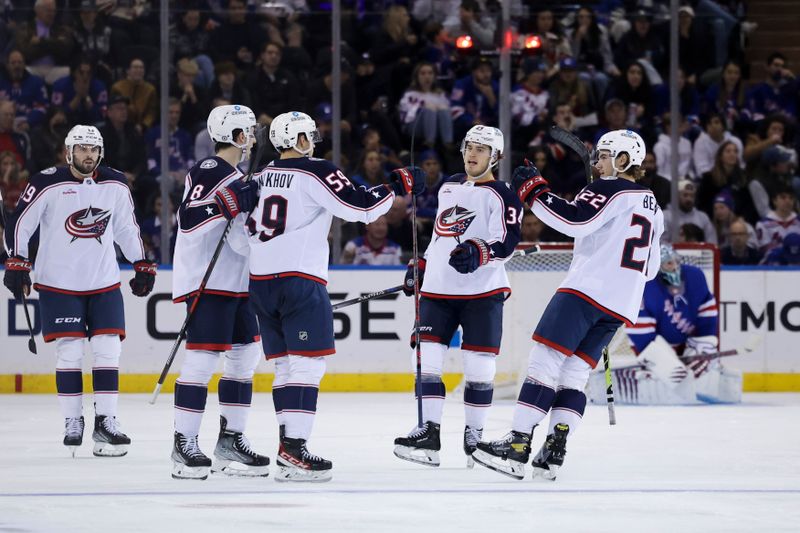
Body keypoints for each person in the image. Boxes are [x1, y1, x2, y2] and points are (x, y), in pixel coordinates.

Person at [216, 111, 424, 481]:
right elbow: (359, 208)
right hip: (300, 282)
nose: (312, 142)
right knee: (308, 366)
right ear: (297, 140)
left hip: (260, 284)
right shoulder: (316, 171)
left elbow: (236, 237)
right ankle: (294, 450)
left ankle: (287, 447)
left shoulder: (259, 176)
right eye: (308, 136)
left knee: (285, 366)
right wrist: (396, 186)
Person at [471, 129, 663, 481]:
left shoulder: (608, 188)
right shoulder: (653, 204)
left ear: (623, 160)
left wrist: (535, 190)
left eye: (605, 155)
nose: (598, 161)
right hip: (620, 304)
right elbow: (650, 270)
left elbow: (573, 221)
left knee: (544, 361)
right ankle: (553, 452)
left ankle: (517, 446)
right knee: (574, 374)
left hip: (585, 291)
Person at [2, 125, 156, 457]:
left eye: (94, 149)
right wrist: (17, 261)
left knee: (108, 348)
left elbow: (127, 227)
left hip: (103, 282)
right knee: (70, 352)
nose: (89, 155)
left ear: (101, 153)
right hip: (59, 283)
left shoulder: (115, 183)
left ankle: (106, 421)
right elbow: (20, 223)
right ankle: (73, 421)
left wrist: (141, 261)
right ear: (68, 152)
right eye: (82, 148)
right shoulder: (47, 181)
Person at [392, 125, 523, 468]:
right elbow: (439, 235)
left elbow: (507, 243)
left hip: (482, 291)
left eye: (482, 149)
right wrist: (419, 265)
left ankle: (475, 440)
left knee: (480, 367)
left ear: (496, 156)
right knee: (424, 361)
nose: (473, 153)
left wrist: (480, 252)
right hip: (438, 290)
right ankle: (429, 433)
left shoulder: (504, 194)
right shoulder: (450, 185)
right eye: (470, 147)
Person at [169, 105, 268, 480]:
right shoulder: (210, 170)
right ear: (239, 137)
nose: (255, 138)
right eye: (251, 132)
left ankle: (230, 442)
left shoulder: (240, 177)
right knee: (202, 361)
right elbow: (189, 219)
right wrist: (227, 203)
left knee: (245, 358)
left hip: (238, 284)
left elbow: (241, 243)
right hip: (208, 283)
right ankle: (184, 443)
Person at [599, 244, 741, 405]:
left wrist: (705, 344)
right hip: (652, 344)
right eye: (668, 263)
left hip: (688, 342)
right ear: (657, 267)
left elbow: (707, 314)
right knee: (672, 378)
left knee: (703, 369)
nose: (675, 267)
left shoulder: (695, 276)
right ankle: (638, 381)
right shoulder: (645, 285)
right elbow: (641, 336)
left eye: (676, 261)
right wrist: (663, 360)